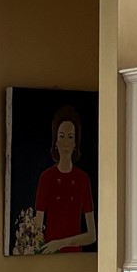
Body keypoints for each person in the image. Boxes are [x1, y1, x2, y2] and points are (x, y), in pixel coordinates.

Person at [33, 107, 95, 254]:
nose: (66, 143)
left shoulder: (83, 179)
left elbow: (92, 235)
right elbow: (37, 227)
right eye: (61, 136)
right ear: (55, 141)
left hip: (76, 258)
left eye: (70, 137)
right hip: (49, 257)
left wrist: (61, 243)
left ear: (75, 144)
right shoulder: (46, 178)